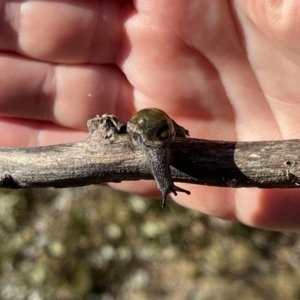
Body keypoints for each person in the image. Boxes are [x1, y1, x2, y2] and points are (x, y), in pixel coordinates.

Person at [1, 1, 299, 230]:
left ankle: (165, 176)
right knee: (160, 159)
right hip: (150, 126)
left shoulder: (161, 138)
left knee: (160, 158)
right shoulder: (146, 134)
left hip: (157, 126)